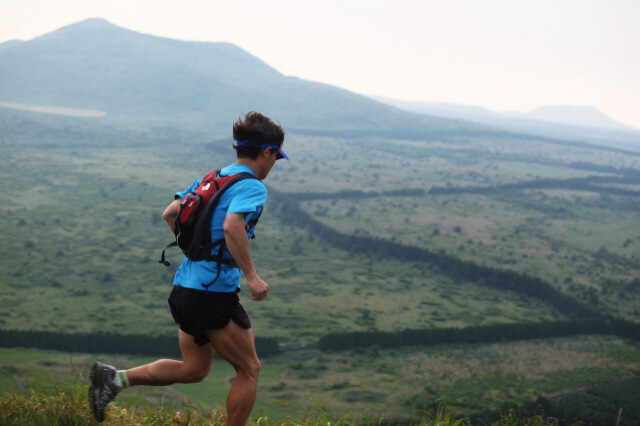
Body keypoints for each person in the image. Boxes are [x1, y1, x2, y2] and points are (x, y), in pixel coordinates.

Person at [89, 111, 287, 425]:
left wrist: (198, 251)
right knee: (250, 370)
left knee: (194, 369)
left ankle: (113, 379)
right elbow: (233, 226)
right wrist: (252, 276)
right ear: (267, 152)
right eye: (276, 156)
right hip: (212, 294)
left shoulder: (214, 177)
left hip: (185, 289)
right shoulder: (252, 186)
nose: (274, 163)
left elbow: (171, 213)